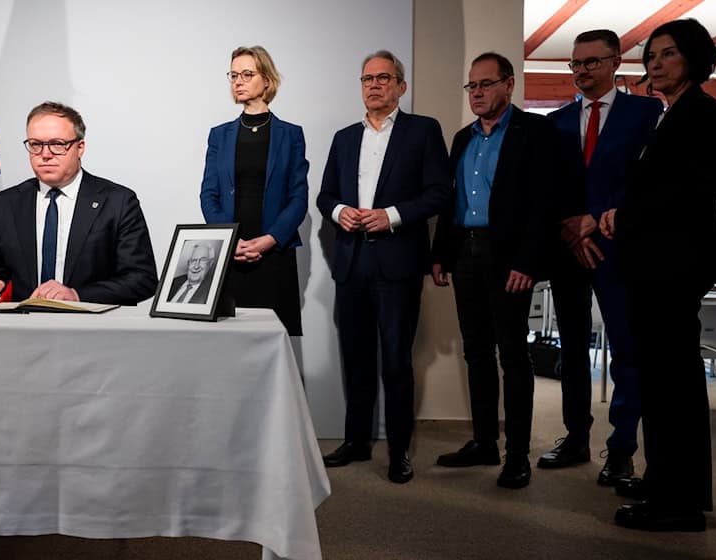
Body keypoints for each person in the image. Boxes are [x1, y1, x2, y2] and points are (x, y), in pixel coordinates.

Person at [601, 19, 716, 532]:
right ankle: (669, 483)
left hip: (672, 267)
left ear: (694, 58)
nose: (656, 62)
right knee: (663, 384)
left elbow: (686, 195)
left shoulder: (702, 113)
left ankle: (676, 506)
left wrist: (622, 217)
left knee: (671, 387)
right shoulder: (671, 114)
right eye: (652, 54)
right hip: (656, 264)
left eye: (669, 53)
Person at [316, 50, 451, 484]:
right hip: (351, 261)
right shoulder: (343, 138)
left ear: (401, 87)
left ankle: (399, 452)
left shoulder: (423, 131)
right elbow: (324, 196)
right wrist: (341, 212)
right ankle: (356, 441)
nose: (374, 85)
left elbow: (438, 193)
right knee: (355, 359)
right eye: (367, 79)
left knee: (395, 362)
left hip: (398, 262)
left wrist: (389, 214)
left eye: (384, 78)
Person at [538, 30, 663, 486]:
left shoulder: (647, 112)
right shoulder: (555, 122)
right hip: (569, 249)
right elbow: (547, 188)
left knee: (626, 351)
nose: (582, 71)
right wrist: (571, 228)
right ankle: (575, 438)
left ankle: (622, 449)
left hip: (621, 247)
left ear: (615, 62)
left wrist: (596, 219)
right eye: (575, 64)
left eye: (591, 62)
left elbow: (649, 181)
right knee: (571, 351)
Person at [431, 52, 558, 489]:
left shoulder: (535, 132)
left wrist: (527, 261)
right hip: (465, 252)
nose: (478, 93)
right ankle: (484, 442)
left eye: (486, 84)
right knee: (476, 352)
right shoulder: (463, 137)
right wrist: (441, 255)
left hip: (508, 258)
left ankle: (517, 456)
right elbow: (452, 204)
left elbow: (543, 205)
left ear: (509, 84)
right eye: (472, 86)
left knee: (513, 357)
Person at [0, 102, 157, 305]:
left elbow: (142, 279)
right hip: (26, 329)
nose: (46, 154)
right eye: (36, 144)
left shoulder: (117, 201)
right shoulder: (6, 203)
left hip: (96, 329)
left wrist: (77, 296)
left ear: (80, 148)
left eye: (58, 144)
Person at [200, 45, 308, 335]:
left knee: (274, 346)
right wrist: (230, 239)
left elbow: (299, 198)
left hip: (273, 254)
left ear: (267, 81)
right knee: (226, 344)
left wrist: (270, 240)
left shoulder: (291, 134)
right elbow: (208, 194)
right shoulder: (219, 135)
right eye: (234, 75)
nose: (238, 81)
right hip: (229, 256)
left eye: (247, 74)